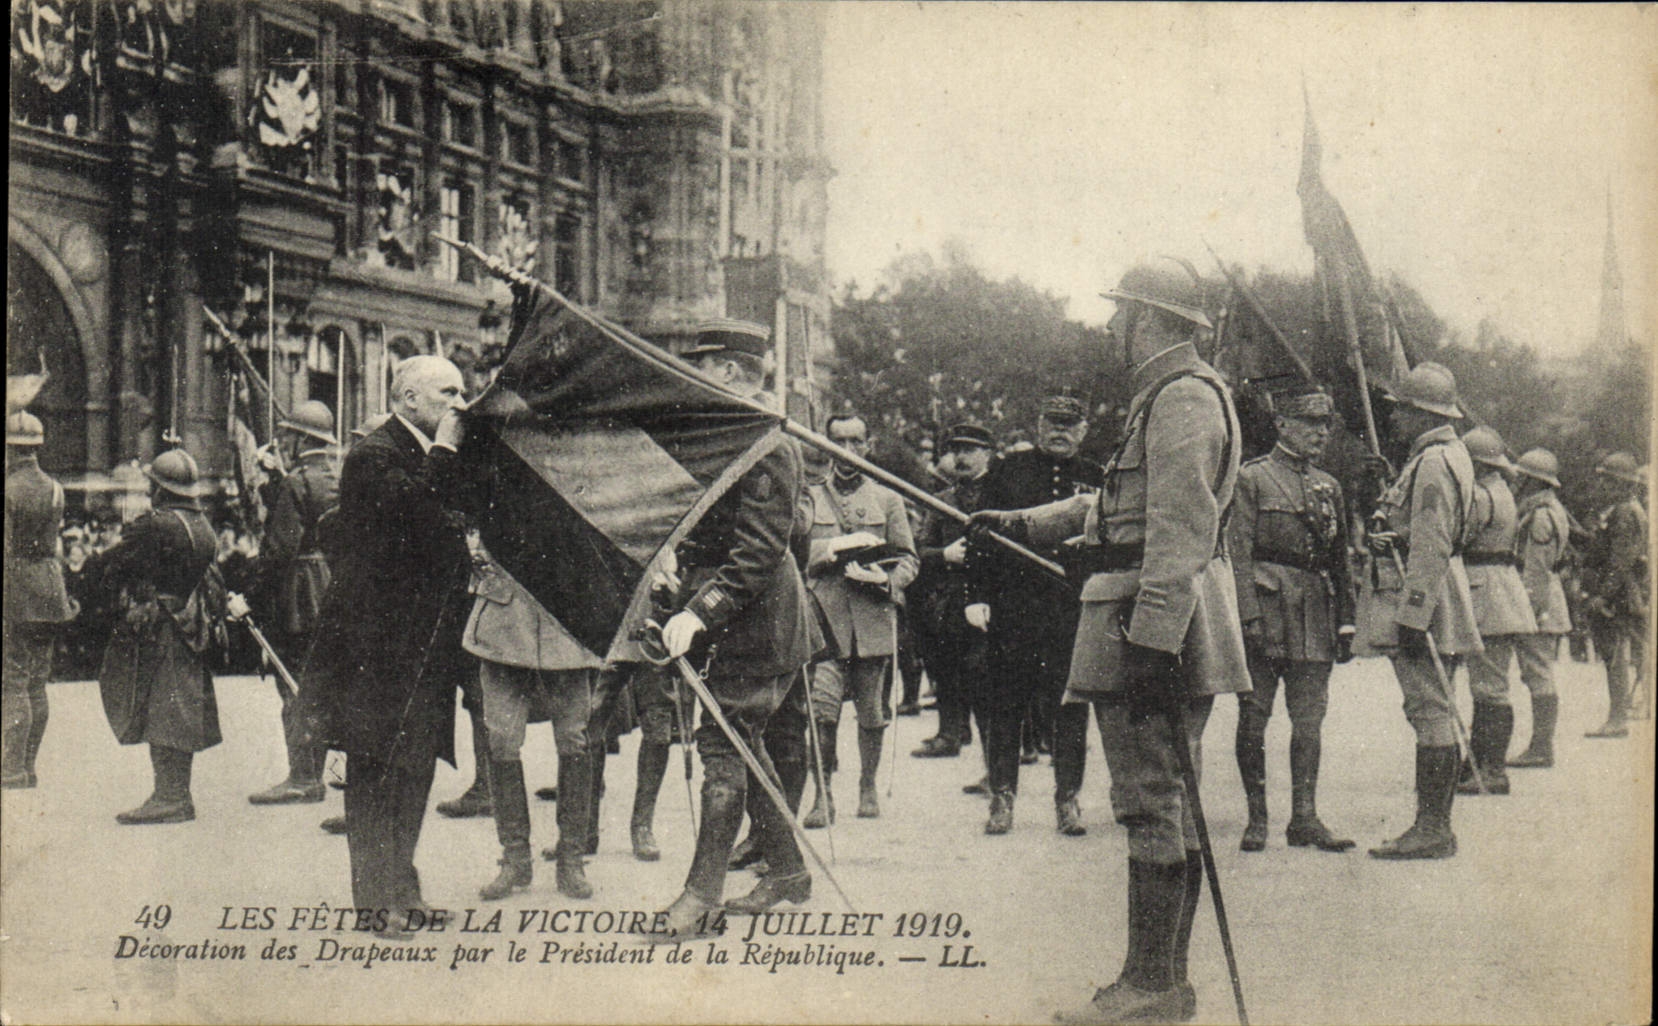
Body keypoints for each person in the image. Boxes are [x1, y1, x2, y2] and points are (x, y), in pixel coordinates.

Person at [974, 259, 1246, 1024]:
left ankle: (1148, 987)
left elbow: (1180, 527)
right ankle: (1158, 979)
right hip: (1150, 614)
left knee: (1151, 801)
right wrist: (1026, 522)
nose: (1109, 326)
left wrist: (1154, 644)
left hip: (1149, 622)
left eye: (1119, 311)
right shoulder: (1168, 395)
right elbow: (1120, 502)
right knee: (1166, 800)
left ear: (1152, 319)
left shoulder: (1183, 398)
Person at [299, 355, 472, 938]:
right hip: (376, 647)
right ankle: (375, 902)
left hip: (421, 645)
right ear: (409, 400)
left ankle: (404, 888)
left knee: (416, 767)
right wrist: (448, 451)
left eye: (462, 392)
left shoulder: (423, 454)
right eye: (447, 392)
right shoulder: (373, 456)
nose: (459, 403)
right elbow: (420, 515)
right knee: (376, 771)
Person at [655, 319, 816, 932]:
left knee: (724, 747)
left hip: (757, 623)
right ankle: (787, 872)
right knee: (744, 746)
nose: (694, 374)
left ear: (727, 371)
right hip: (737, 617)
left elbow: (759, 551)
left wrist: (700, 611)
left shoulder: (766, 442)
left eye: (701, 363)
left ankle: (697, 901)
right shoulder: (732, 433)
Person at [1357, 362, 1481, 860]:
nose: (1392, 420)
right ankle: (1433, 826)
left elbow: (1430, 542)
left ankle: (1432, 829)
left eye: (1399, 410)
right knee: (1436, 707)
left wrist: (1412, 616)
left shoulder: (1433, 462)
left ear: (1417, 413)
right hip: (1437, 589)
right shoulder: (1448, 455)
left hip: (1425, 595)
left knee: (1430, 710)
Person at [965, 393, 1104, 836]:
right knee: (1005, 703)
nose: (1060, 431)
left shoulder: (1097, 477)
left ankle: (1068, 799)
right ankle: (1001, 798)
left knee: (1070, 707)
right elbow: (981, 536)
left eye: (1070, 424)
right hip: (1015, 606)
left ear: (1083, 430)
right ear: (1039, 425)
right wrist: (976, 595)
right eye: (1052, 422)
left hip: (1070, 607)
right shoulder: (1008, 471)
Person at [1228, 384, 1356, 852]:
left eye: (1324, 425)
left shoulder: (1330, 486)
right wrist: (1246, 617)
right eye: (1308, 423)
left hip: (1315, 614)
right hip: (1266, 610)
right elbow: (1237, 554)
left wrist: (1347, 620)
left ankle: (1304, 817)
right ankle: (1256, 818)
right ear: (1282, 425)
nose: (1319, 433)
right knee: (1253, 717)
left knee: (1309, 721)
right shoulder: (1252, 479)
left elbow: (1341, 559)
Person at [85, 447, 224, 824]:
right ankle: (174, 792)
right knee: (179, 707)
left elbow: (115, 564)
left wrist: (99, 571)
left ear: (160, 488)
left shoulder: (157, 524)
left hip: (159, 626)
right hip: (191, 624)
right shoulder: (203, 526)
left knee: (162, 707)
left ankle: (170, 797)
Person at [461, 541, 602, 901]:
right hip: (505, 618)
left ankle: (571, 859)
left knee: (574, 739)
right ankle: (515, 859)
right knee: (501, 740)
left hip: (566, 617)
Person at [801, 412, 919, 824]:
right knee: (821, 710)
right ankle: (823, 794)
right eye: (838, 442)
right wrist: (827, 551)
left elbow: (908, 558)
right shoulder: (808, 497)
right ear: (826, 446)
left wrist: (885, 580)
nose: (847, 451)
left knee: (872, 712)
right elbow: (795, 554)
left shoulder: (887, 500)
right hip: (824, 620)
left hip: (872, 620)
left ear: (868, 445)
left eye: (855, 442)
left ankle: (867, 785)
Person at [246, 400, 341, 805]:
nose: (283, 439)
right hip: (332, 587)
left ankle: (303, 777)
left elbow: (280, 548)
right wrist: (276, 483)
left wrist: (250, 592)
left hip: (299, 594)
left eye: (288, 433)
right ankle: (313, 773)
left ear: (302, 438)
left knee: (294, 685)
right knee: (317, 683)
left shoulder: (297, 481)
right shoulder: (335, 475)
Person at [1455, 427, 1538, 796]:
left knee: (1489, 687)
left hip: (1485, 590)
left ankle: (1491, 770)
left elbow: (1459, 535)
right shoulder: (1501, 491)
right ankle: (1482, 764)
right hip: (1500, 588)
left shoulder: (1480, 494)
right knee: (1491, 684)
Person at [911, 423, 996, 760]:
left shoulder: (1002, 495)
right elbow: (919, 550)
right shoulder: (942, 501)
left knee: (987, 678)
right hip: (951, 601)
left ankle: (997, 761)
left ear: (987, 454)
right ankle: (949, 734)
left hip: (992, 599)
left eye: (970, 450)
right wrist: (943, 555)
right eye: (956, 450)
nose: (961, 457)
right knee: (946, 667)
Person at [4, 412, 78, 789]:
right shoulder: (55, 488)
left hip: (16, 591)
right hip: (49, 590)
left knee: (13, 680)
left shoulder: (7, 490)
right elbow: (56, 546)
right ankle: (28, 767)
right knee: (37, 683)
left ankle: (11, 769)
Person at [1506, 448, 1572, 767]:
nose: (1517, 483)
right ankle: (1540, 746)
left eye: (1523, 478)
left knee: (1539, 674)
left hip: (1540, 605)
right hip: (1543, 601)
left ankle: (1542, 748)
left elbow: (1537, 570)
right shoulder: (1545, 510)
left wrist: (1529, 612)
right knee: (1538, 673)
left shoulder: (1541, 516)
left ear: (1534, 482)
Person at [1580, 451, 1648, 739]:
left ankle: (1617, 718)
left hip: (1619, 593)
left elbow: (1620, 560)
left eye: (1608, 482)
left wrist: (1603, 596)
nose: (1603, 487)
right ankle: (1617, 715)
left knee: (1615, 654)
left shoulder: (1624, 513)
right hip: (1622, 591)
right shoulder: (1628, 510)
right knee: (1616, 654)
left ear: (1622, 485)